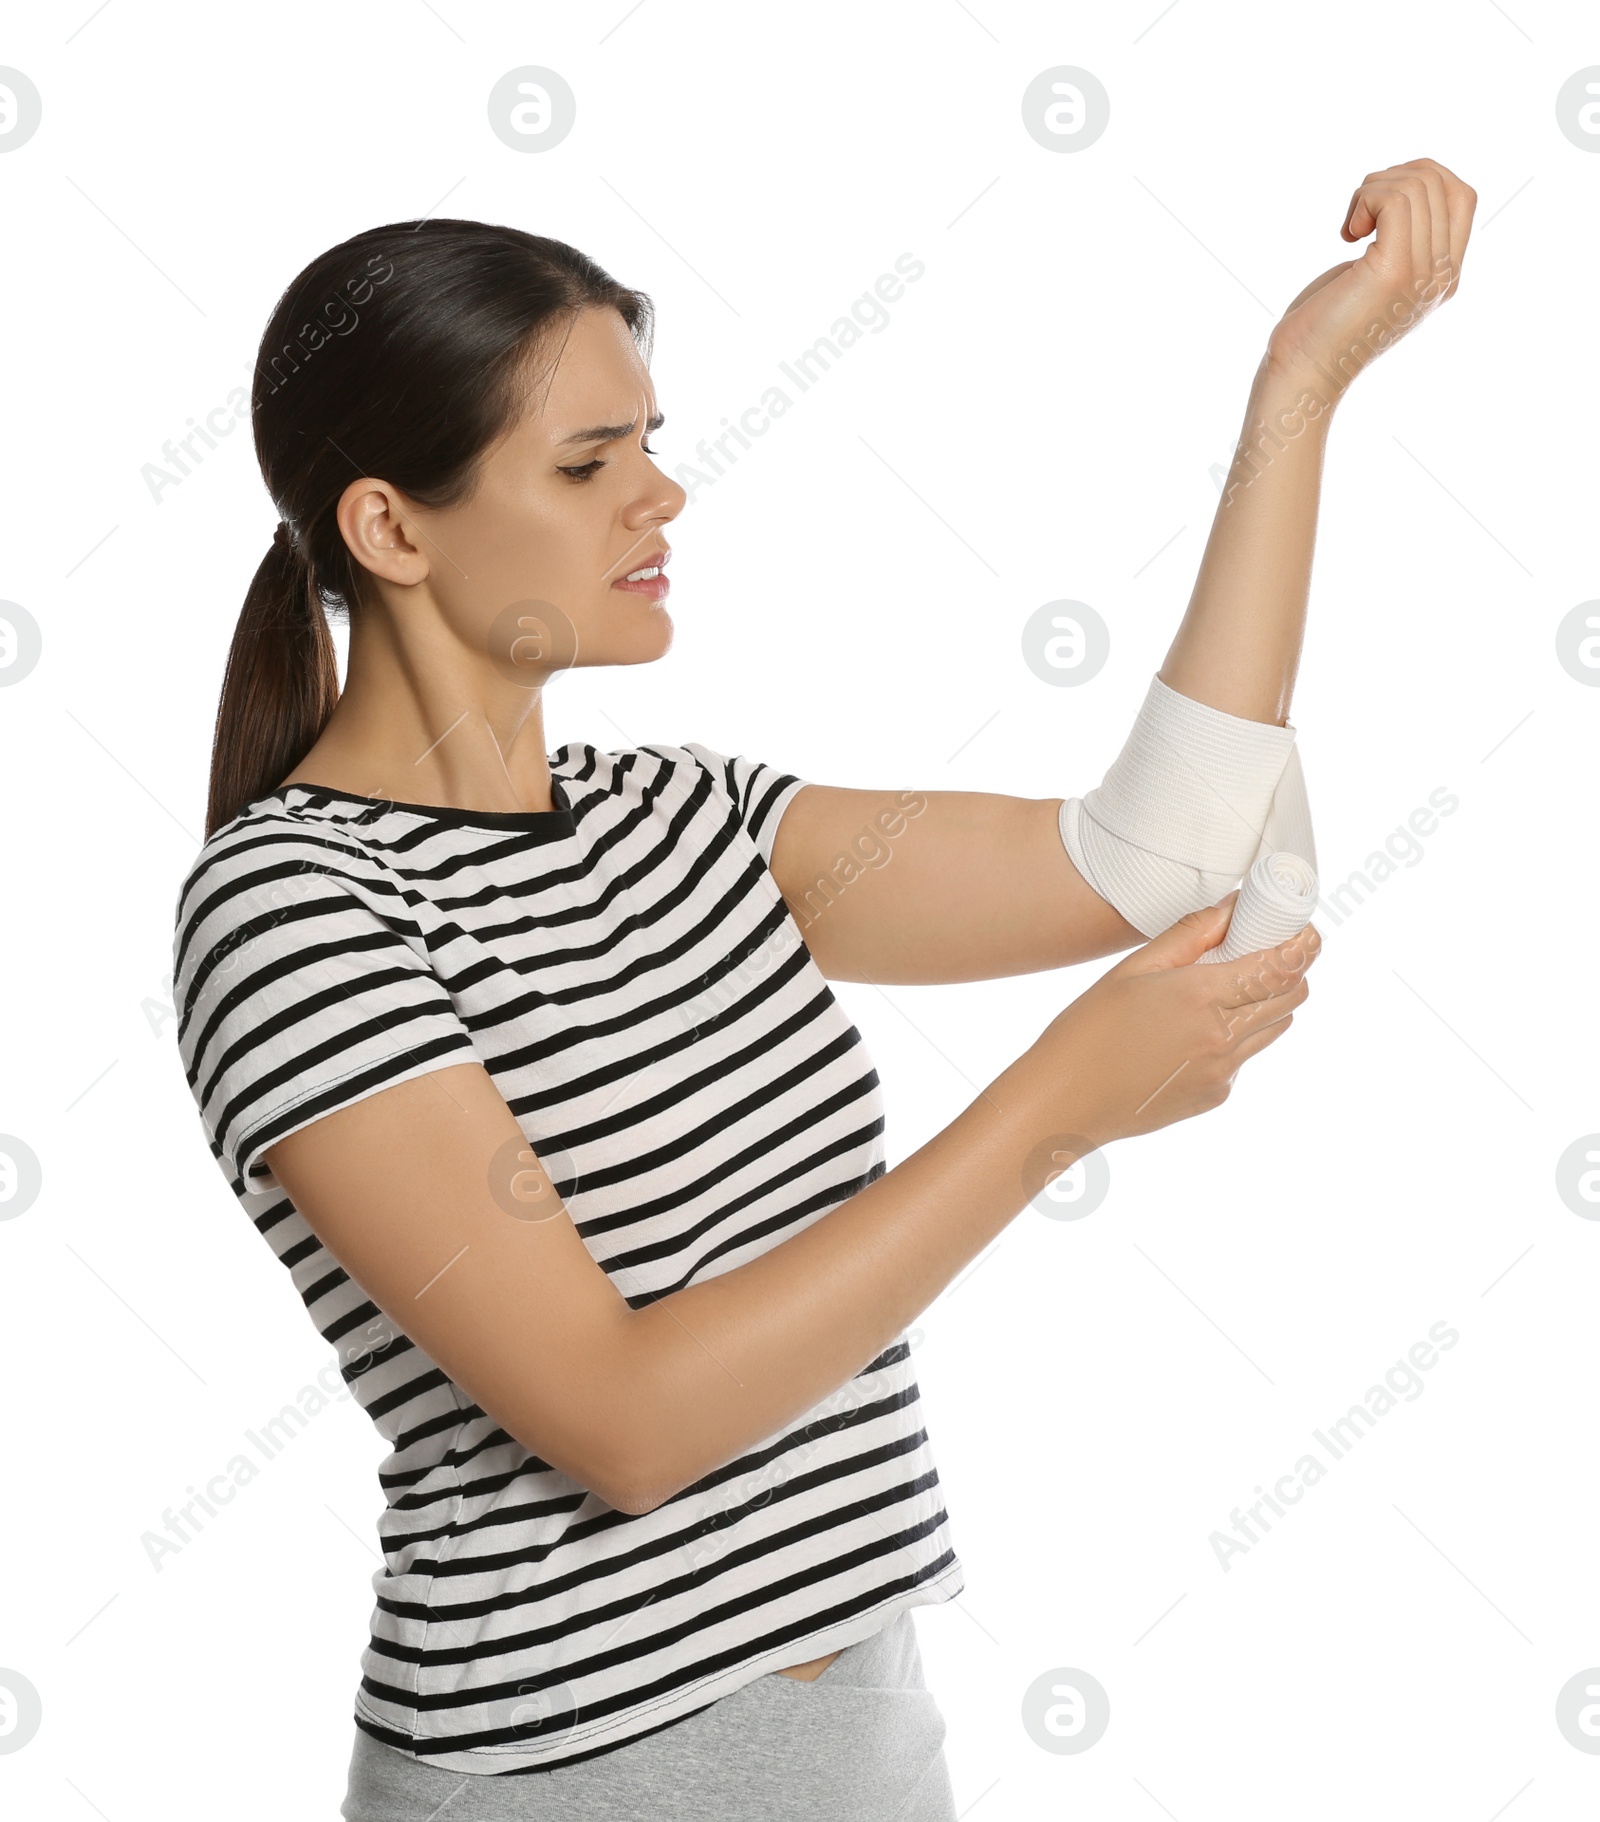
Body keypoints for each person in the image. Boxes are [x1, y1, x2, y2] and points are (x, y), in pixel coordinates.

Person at [170, 159, 1474, 1820]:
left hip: (862, 1734)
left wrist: (1303, 388)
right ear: (390, 525)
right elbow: (621, 1422)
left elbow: (1156, 854)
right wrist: (1055, 1110)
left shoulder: (687, 814)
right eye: (588, 461)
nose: (664, 496)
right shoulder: (295, 909)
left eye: (648, 440)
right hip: (567, 1775)